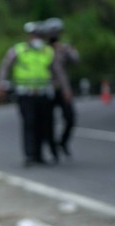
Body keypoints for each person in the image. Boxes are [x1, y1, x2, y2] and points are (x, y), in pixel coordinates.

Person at [0, 21, 72, 167]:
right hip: (25, 94)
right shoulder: (18, 50)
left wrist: (66, 90)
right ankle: (30, 155)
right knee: (29, 123)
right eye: (34, 35)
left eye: (40, 35)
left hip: (44, 94)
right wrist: (0, 85)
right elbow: (4, 67)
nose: (37, 38)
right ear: (29, 36)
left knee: (44, 124)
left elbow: (59, 73)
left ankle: (40, 155)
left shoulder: (48, 51)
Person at [43, 17, 79, 157]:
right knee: (48, 121)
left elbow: (76, 59)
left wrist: (66, 50)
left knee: (70, 118)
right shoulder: (41, 50)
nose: (54, 35)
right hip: (46, 90)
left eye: (56, 32)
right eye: (51, 32)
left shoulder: (63, 48)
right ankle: (53, 150)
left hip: (63, 89)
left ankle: (63, 142)